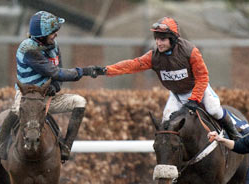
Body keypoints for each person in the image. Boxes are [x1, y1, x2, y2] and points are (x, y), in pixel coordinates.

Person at [95, 17, 241, 140]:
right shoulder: (154, 56)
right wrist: (106, 70)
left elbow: (202, 78)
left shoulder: (191, 51)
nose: (158, 43)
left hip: (198, 91)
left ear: (173, 39)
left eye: (163, 39)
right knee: (166, 122)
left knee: (214, 109)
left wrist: (194, 99)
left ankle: (235, 134)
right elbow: (131, 65)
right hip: (177, 95)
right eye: (157, 39)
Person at [0, 11, 100, 162]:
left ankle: (66, 147)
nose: (56, 34)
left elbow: (58, 75)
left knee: (80, 102)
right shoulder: (28, 50)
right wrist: (84, 71)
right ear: (41, 35)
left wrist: (55, 87)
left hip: (46, 97)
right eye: (52, 32)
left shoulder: (54, 46)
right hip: (27, 96)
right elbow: (55, 72)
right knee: (17, 109)